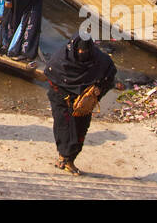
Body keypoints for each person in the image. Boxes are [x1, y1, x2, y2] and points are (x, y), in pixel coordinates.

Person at [45, 35, 116, 175]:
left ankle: (69, 159)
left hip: (84, 103)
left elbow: (109, 75)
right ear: (74, 49)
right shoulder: (61, 59)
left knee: (79, 131)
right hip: (61, 99)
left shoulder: (100, 60)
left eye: (85, 52)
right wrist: (66, 97)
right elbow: (51, 77)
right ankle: (64, 158)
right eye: (79, 52)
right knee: (63, 129)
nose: (82, 54)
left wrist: (97, 91)